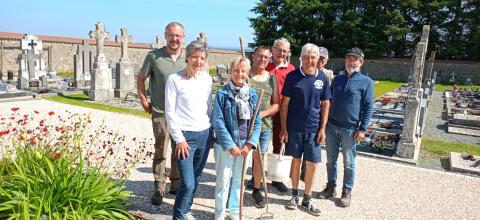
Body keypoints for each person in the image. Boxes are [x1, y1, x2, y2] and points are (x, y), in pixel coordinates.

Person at [317, 47, 374, 208]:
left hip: (350, 129)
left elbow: (368, 106)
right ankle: (330, 187)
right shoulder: (338, 79)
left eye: (354, 59)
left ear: (360, 62)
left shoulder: (366, 82)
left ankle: (346, 191)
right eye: (348, 58)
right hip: (332, 126)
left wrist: (362, 129)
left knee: (349, 162)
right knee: (330, 160)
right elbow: (328, 102)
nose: (351, 61)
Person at [137, 22, 185, 206]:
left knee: (179, 150)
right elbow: (141, 79)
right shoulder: (154, 56)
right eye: (171, 35)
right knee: (160, 151)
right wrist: (143, 100)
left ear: (183, 37)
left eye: (178, 35)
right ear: (166, 35)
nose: (174, 39)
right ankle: (159, 187)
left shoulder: (188, 58)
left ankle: (176, 184)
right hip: (161, 112)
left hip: (182, 115)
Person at [280, 43, 331, 216]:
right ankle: (294, 195)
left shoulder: (323, 78)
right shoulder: (292, 77)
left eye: (313, 57)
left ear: (318, 59)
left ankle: (307, 198)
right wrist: (284, 128)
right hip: (294, 128)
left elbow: (325, 104)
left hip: (314, 130)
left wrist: (323, 128)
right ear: (301, 58)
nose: (310, 60)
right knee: (295, 162)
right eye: (307, 57)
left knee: (313, 165)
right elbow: (285, 103)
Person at [165, 40, 213, 220]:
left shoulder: (207, 80)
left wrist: (212, 132)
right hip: (185, 138)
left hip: (205, 135)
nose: (198, 61)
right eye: (195, 57)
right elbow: (170, 112)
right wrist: (179, 139)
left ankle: (186, 210)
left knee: (197, 177)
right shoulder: (175, 80)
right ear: (187, 57)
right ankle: (178, 216)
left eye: (202, 58)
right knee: (187, 182)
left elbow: (208, 108)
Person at [213, 57, 262, 220]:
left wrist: (249, 144)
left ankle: (234, 212)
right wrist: (230, 145)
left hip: (244, 147)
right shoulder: (222, 93)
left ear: (247, 74)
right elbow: (218, 122)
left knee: (238, 182)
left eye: (243, 71)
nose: (239, 74)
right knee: (223, 181)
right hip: (225, 146)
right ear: (230, 72)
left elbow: (257, 123)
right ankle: (219, 214)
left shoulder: (253, 95)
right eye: (236, 70)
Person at [247, 46, 280, 208]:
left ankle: (256, 189)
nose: (262, 59)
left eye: (266, 57)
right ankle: (234, 189)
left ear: (269, 59)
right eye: (259, 56)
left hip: (264, 126)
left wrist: (261, 114)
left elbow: (276, 105)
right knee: (239, 157)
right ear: (253, 56)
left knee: (259, 158)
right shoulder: (245, 75)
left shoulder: (271, 79)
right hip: (244, 126)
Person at [265, 37, 295, 192]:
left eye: (285, 51)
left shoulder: (291, 69)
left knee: (279, 143)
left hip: (282, 113)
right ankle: (255, 176)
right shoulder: (265, 64)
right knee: (259, 144)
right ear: (273, 49)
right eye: (279, 49)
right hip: (264, 111)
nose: (282, 53)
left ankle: (276, 178)